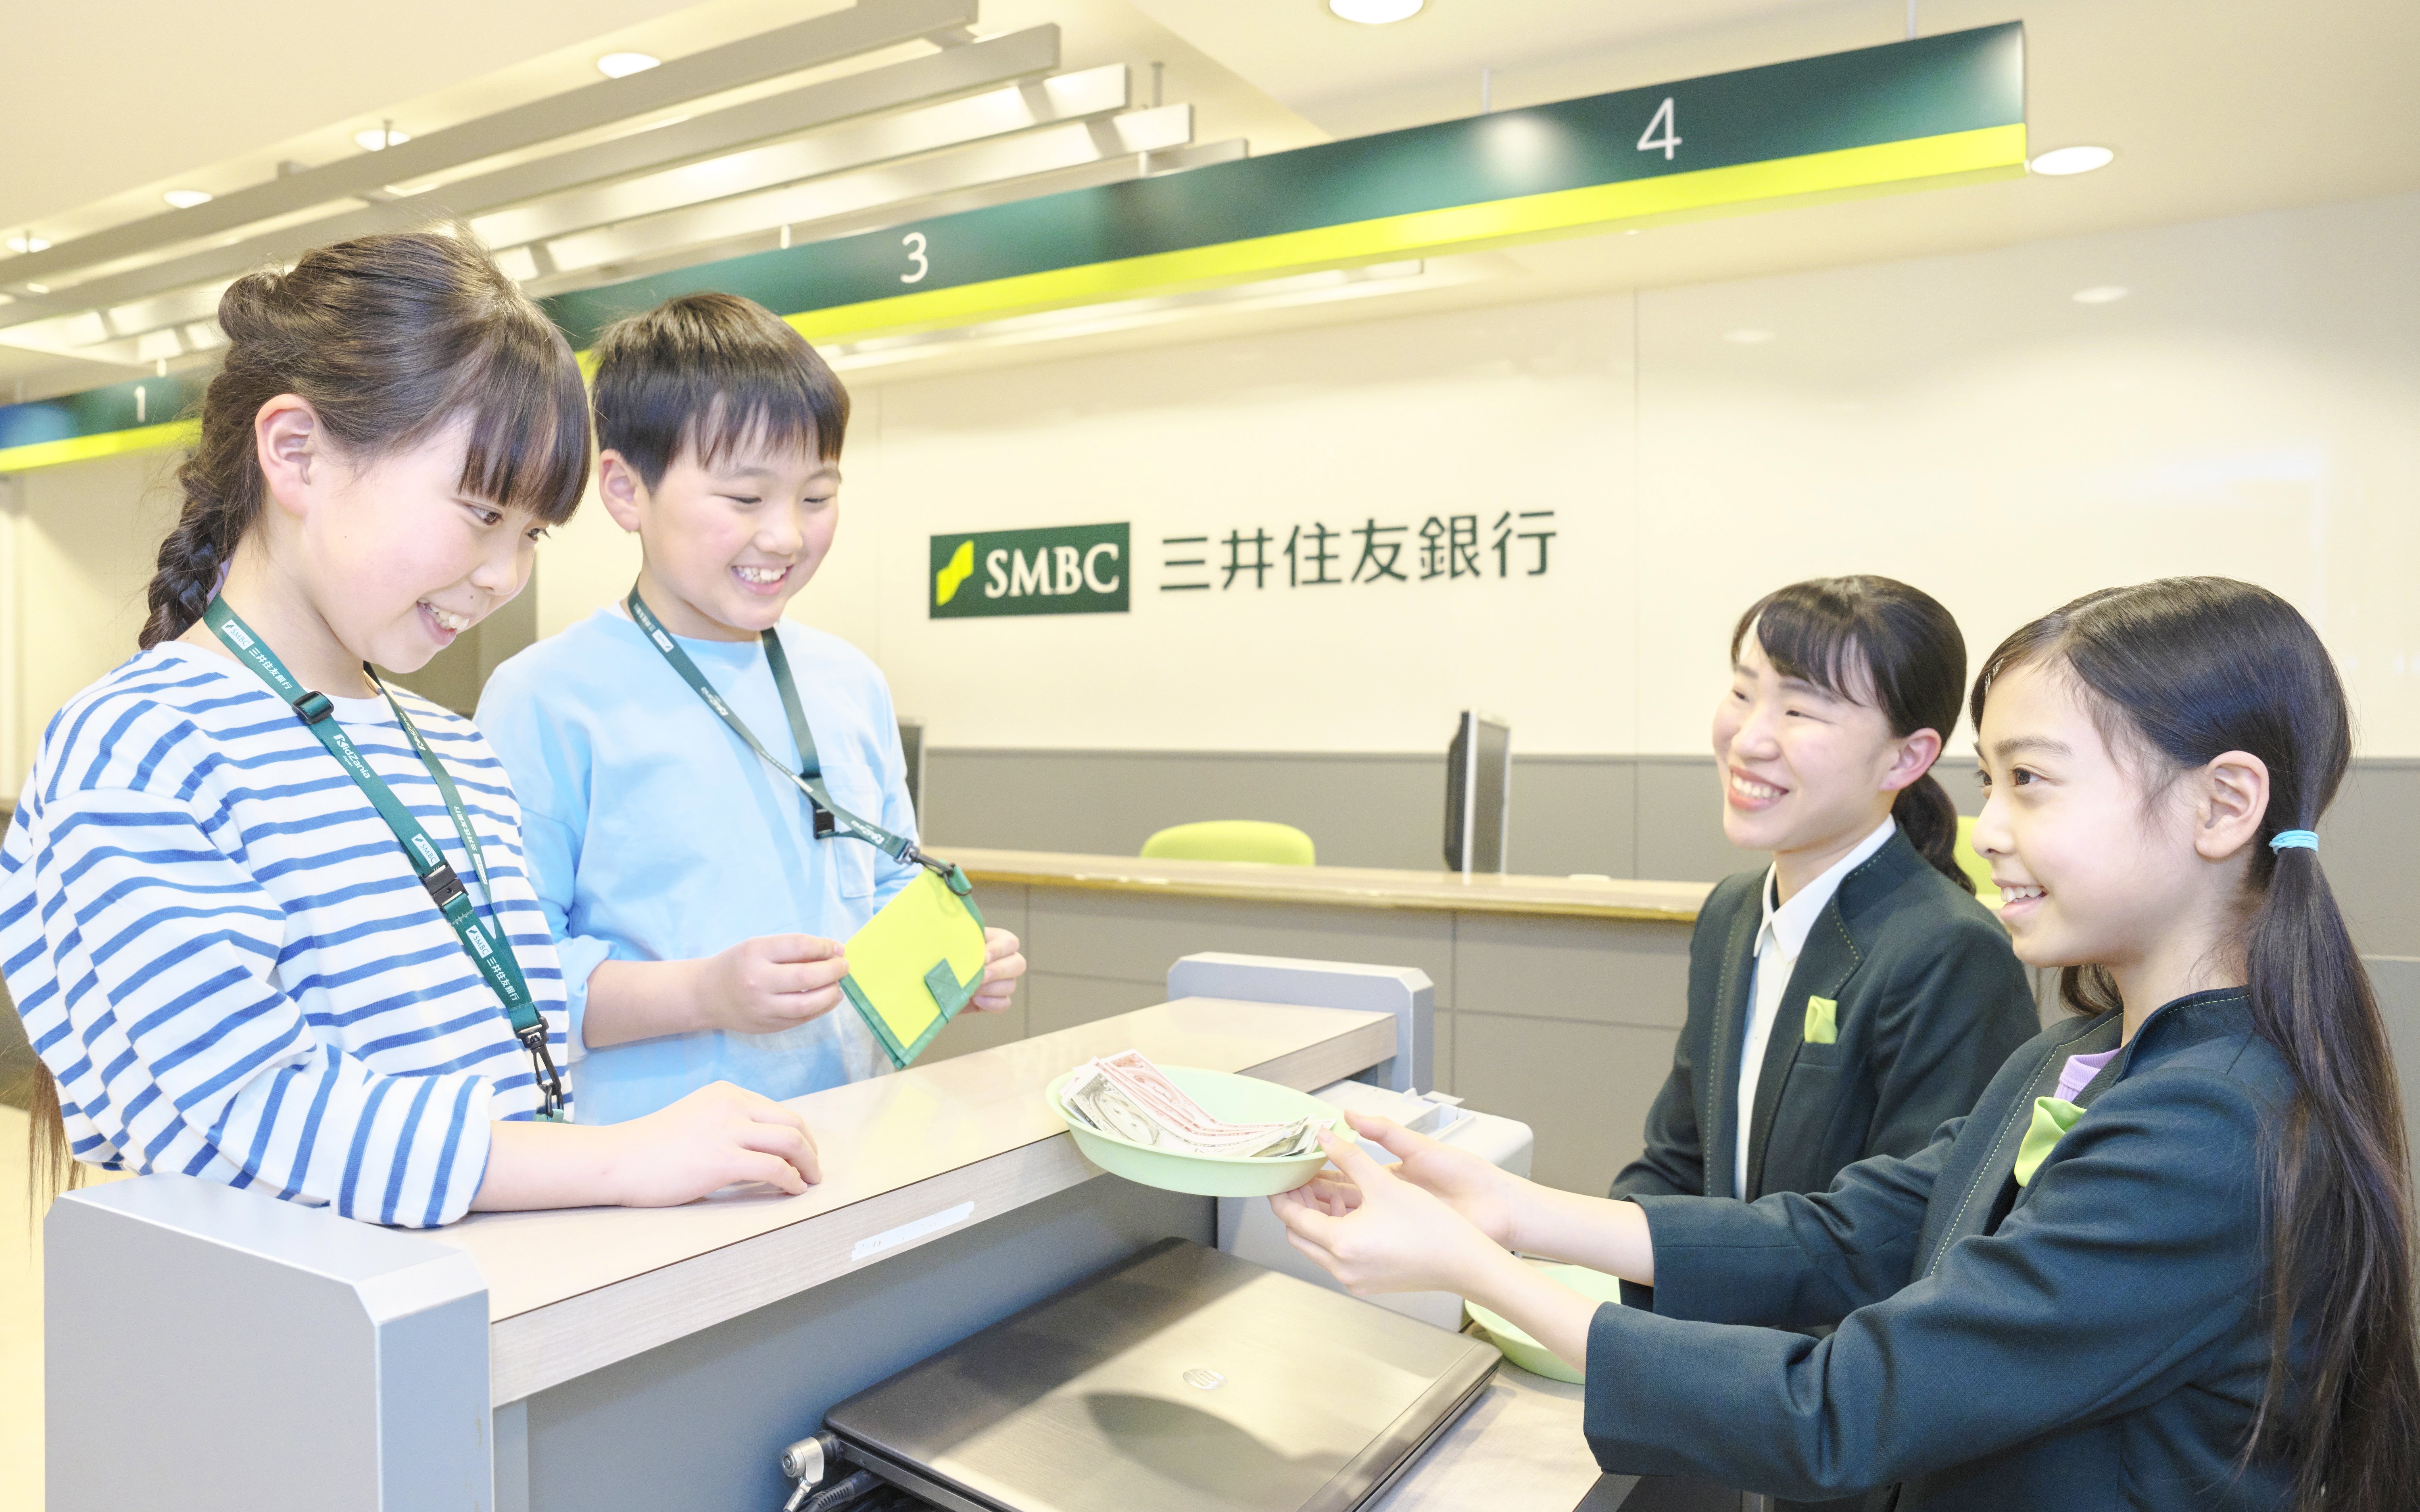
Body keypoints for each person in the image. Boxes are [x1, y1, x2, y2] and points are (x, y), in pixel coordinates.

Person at [1274, 578, 2419, 1511]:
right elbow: (1856, 1227)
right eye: (1992, 779)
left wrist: (1478, 1269)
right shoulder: (2083, 1055)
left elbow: (1845, 1404)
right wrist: (1508, 1211)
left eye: (2032, 780)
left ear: (2224, 807)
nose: (1992, 830)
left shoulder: (2214, 1123)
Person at [2, 233, 822, 1227]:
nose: (503, 575)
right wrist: (613, 1159)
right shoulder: (140, 746)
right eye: (481, 514)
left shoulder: (456, 751)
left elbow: (518, 1041)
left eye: (531, 535)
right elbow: (234, 1112)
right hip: (311, 1351)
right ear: (295, 452)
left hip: (509, 1311)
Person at [477, 292, 1023, 1126]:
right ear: (625, 491)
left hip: (853, 1134)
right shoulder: (546, 699)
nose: (785, 537)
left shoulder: (849, 682)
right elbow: (511, 983)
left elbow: (884, 894)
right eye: (744, 499)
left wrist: (953, 963)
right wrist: (704, 993)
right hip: (647, 1168)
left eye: (815, 497)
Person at [1613, 577, 2037, 1233]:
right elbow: (1676, 1164)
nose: (1749, 738)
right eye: (1743, 692)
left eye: (1800, 711)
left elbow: (1901, 1240)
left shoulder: (1951, 953)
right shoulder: (1732, 914)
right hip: (1705, 1323)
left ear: (1905, 758)